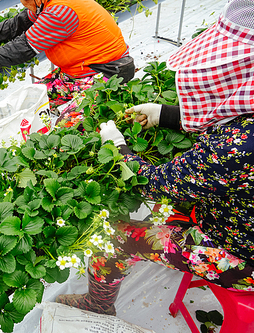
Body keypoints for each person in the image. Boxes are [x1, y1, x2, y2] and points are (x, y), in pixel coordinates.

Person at [55, 0, 254, 316]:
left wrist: (119, 150)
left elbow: (153, 184)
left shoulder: (239, 146)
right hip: (242, 223)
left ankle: (98, 304)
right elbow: (232, 116)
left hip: (240, 258)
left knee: (110, 235)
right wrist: (167, 115)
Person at [0, 0, 135, 113]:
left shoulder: (59, 12)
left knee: (68, 130)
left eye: (28, 1)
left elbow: (22, 48)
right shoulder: (47, 4)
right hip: (79, 71)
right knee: (27, 104)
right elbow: (20, 22)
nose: (25, 4)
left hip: (105, 74)